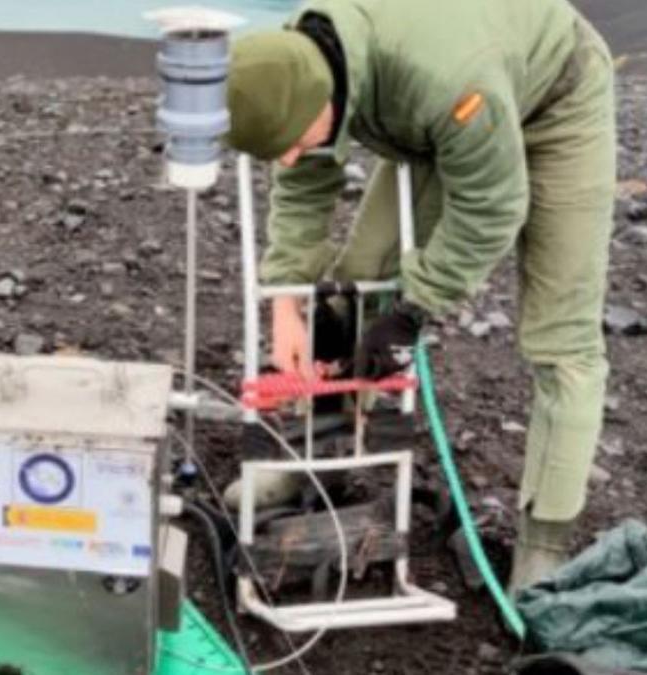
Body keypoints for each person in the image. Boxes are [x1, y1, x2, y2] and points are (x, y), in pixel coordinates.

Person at [221, 0, 616, 592]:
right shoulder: (297, 68)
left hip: (553, 101)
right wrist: (286, 303)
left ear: (325, 100)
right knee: (358, 278)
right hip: (443, 117)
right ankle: (320, 461)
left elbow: (492, 207)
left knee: (562, 339)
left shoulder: (444, 79)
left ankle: (545, 543)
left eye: (294, 142)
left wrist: (412, 311)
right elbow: (303, 188)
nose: (289, 158)